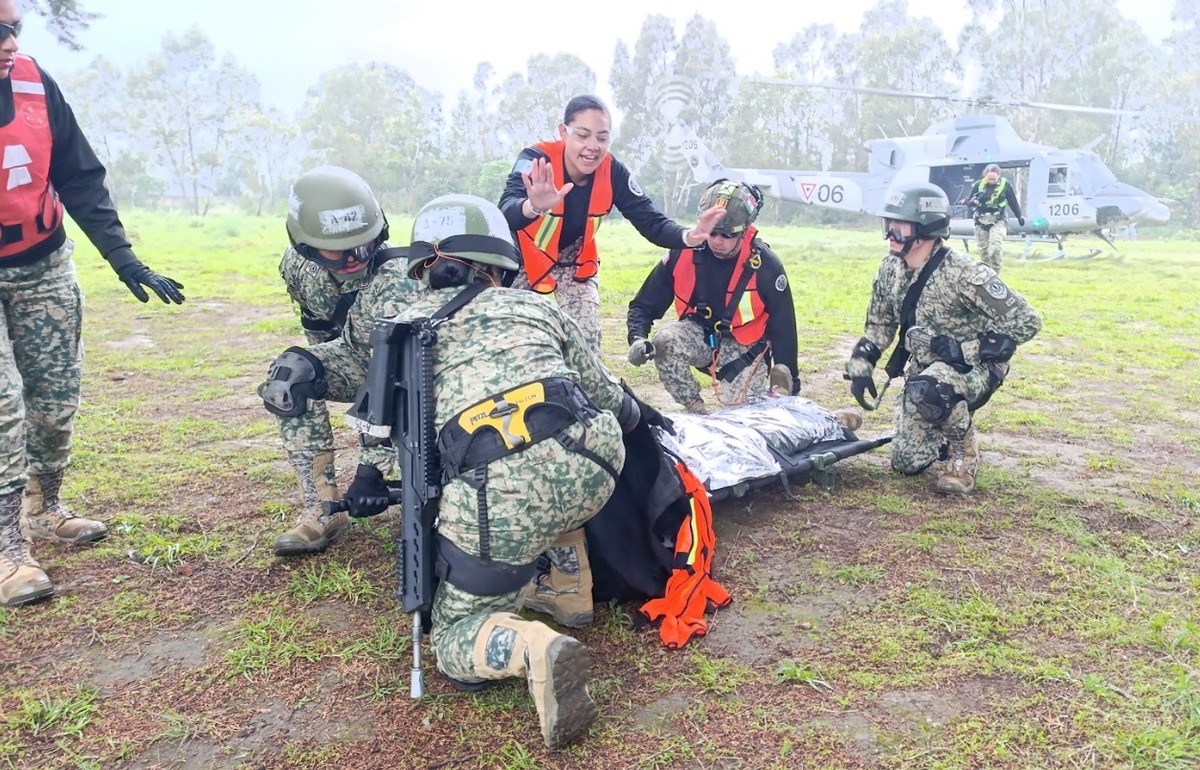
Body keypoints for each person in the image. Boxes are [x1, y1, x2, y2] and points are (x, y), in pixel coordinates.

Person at [346, 193, 644, 749]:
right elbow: (607, 394)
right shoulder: (535, 306)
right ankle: (569, 585)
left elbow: (385, 435)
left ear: (421, 272)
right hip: (596, 463)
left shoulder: (404, 334)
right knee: (549, 482)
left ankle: (532, 647)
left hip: (500, 494)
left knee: (454, 638)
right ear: (501, 267)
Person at [0, 0, 185, 607]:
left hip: (43, 263)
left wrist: (124, 260)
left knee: (54, 398)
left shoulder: (33, 82)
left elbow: (77, 176)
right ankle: (6, 549)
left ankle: (45, 509)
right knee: (3, 409)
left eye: (14, 29)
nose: (8, 42)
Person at [844, 182, 1042, 495]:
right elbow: (880, 323)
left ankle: (963, 452)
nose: (890, 233)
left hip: (971, 369)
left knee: (932, 388)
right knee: (906, 463)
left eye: (900, 226)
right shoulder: (889, 269)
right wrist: (862, 361)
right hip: (924, 372)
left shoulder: (964, 273)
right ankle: (937, 427)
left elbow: (1027, 322)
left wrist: (967, 349)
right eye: (889, 224)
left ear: (926, 229)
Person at [260, 166, 414, 556]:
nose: (354, 258)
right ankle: (323, 508)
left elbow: (394, 376)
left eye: (364, 244)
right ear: (305, 248)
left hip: (412, 374)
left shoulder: (394, 279)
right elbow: (318, 329)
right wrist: (318, 376)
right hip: (358, 354)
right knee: (291, 377)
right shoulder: (298, 268)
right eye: (339, 250)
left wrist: (371, 470)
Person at [499, 94, 726, 351]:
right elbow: (505, 211)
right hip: (526, 258)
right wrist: (533, 206)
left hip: (575, 261)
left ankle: (582, 390)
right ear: (563, 132)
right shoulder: (536, 159)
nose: (592, 146)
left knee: (585, 342)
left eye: (602, 137)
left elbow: (649, 219)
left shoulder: (613, 171)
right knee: (510, 336)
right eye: (582, 135)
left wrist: (689, 236)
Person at [625, 179, 800, 414]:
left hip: (744, 347)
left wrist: (789, 379)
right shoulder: (683, 251)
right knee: (664, 341)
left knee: (747, 416)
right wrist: (637, 338)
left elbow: (784, 326)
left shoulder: (765, 266)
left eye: (727, 235)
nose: (717, 241)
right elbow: (643, 305)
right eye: (712, 232)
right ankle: (697, 411)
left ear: (745, 230)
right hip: (699, 336)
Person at [966, 163, 1024, 271]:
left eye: (994, 179)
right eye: (989, 179)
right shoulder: (978, 185)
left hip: (998, 219)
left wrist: (1019, 216)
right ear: (985, 176)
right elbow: (969, 202)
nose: (991, 181)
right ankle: (986, 274)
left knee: (995, 248)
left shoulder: (1005, 185)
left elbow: (1013, 202)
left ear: (999, 175)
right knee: (984, 252)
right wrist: (972, 202)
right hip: (981, 220)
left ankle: (996, 273)